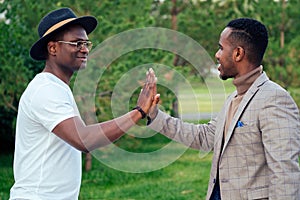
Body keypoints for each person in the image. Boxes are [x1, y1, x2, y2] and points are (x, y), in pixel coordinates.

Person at [10, 8, 157, 200]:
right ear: (52, 48)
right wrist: (138, 112)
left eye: (86, 43)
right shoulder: (45, 89)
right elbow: (84, 139)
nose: (85, 49)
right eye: (76, 43)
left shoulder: (58, 87)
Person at [148, 18, 300, 199]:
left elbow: (284, 174)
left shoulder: (274, 99)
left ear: (238, 53)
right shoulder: (233, 99)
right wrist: (153, 114)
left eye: (221, 48)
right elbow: (205, 137)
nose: (217, 54)